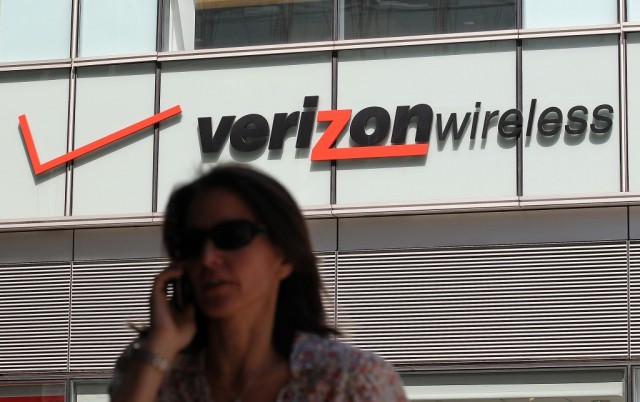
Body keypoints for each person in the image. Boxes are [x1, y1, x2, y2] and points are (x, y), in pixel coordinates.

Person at [109, 164, 408, 402]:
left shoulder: (349, 381)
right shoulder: (152, 370)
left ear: (284, 257)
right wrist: (159, 347)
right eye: (192, 243)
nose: (208, 258)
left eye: (232, 236)